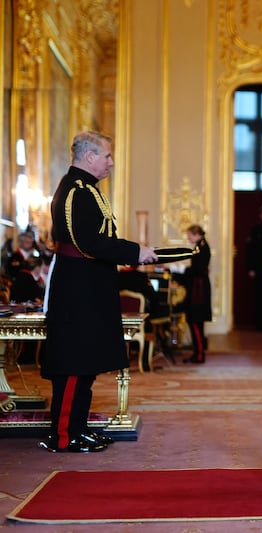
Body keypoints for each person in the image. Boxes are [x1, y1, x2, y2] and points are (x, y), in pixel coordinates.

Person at [40, 131, 158, 453]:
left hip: (89, 284)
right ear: (89, 156)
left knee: (86, 362)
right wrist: (136, 251)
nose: (111, 162)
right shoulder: (76, 190)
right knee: (74, 362)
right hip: (77, 287)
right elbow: (89, 243)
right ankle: (64, 435)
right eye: (106, 156)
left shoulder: (87, 189)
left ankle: (78, 428)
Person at [183, 224, 211, 364]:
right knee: (195, 321)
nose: (188, 237)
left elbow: (197, 269)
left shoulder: (201, 247)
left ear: (196, 234)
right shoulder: (201, 246)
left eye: (189, 235)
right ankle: (197, 352)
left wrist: (182, 271)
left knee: (196, 320)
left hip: (198, 290)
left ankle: (199, 354)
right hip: (198, 288)